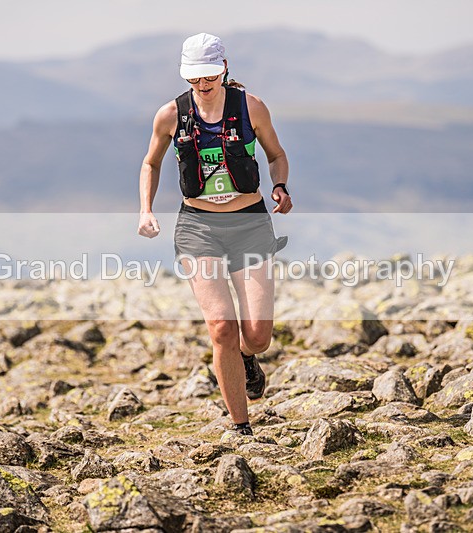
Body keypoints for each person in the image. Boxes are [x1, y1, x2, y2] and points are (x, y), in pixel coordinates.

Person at [138, 33, 292, 436]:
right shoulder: (170, 115)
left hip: (250, 224)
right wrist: (146, 209)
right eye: (194, 79)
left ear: (224, 68)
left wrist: (281, 186)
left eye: (209, 76)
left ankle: (247, 358)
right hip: (197, 227)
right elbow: (150, 164)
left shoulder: (251, 107)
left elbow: (276, 155)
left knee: (257, 336)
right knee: (222, 326)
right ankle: (241, 426)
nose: (202, 85)